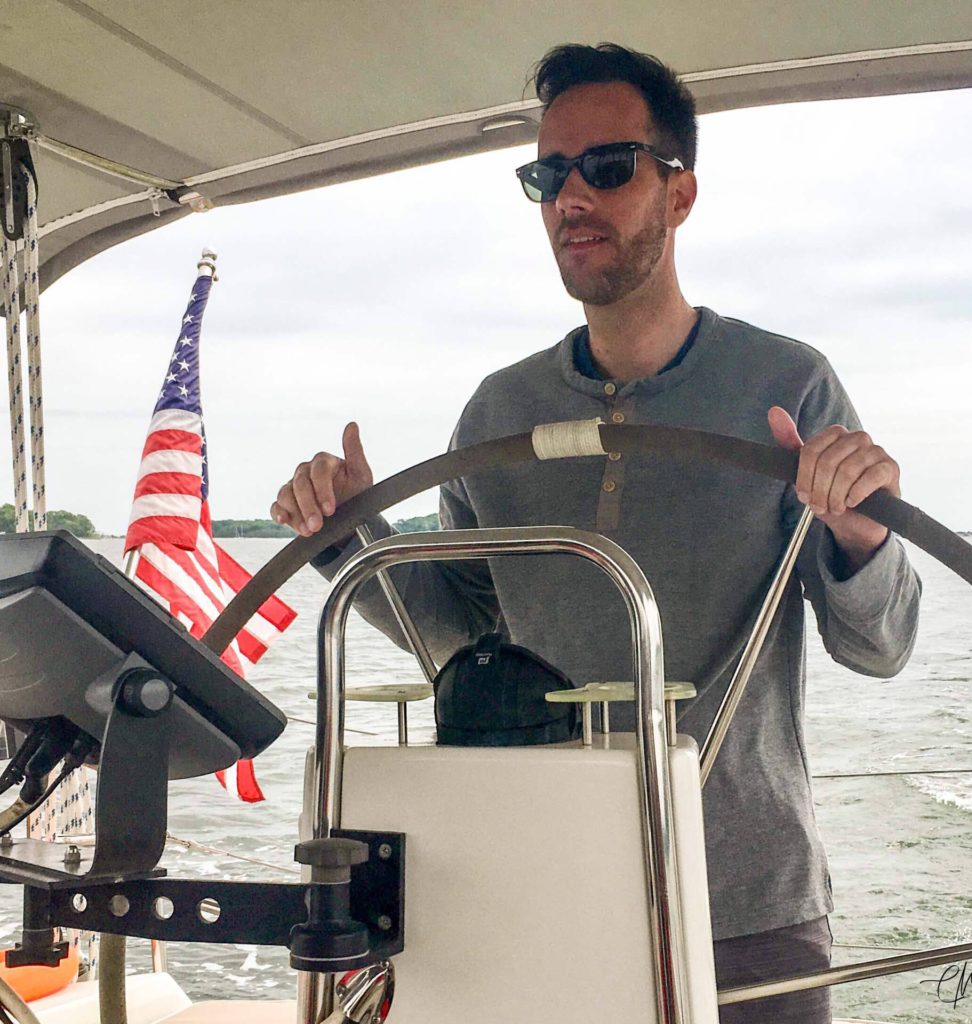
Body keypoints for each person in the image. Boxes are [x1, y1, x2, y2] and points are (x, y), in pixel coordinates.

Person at [272, 43, 921, 1024]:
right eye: (547, 175)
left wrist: (859, 536)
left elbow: (879, 644)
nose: (572, 196)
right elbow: (459, 634)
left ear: (680, 192)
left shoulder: (786, 386)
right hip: (537, 884)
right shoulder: (499, 413)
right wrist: (353, 540)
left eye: (607, 167)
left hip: (742, 901)